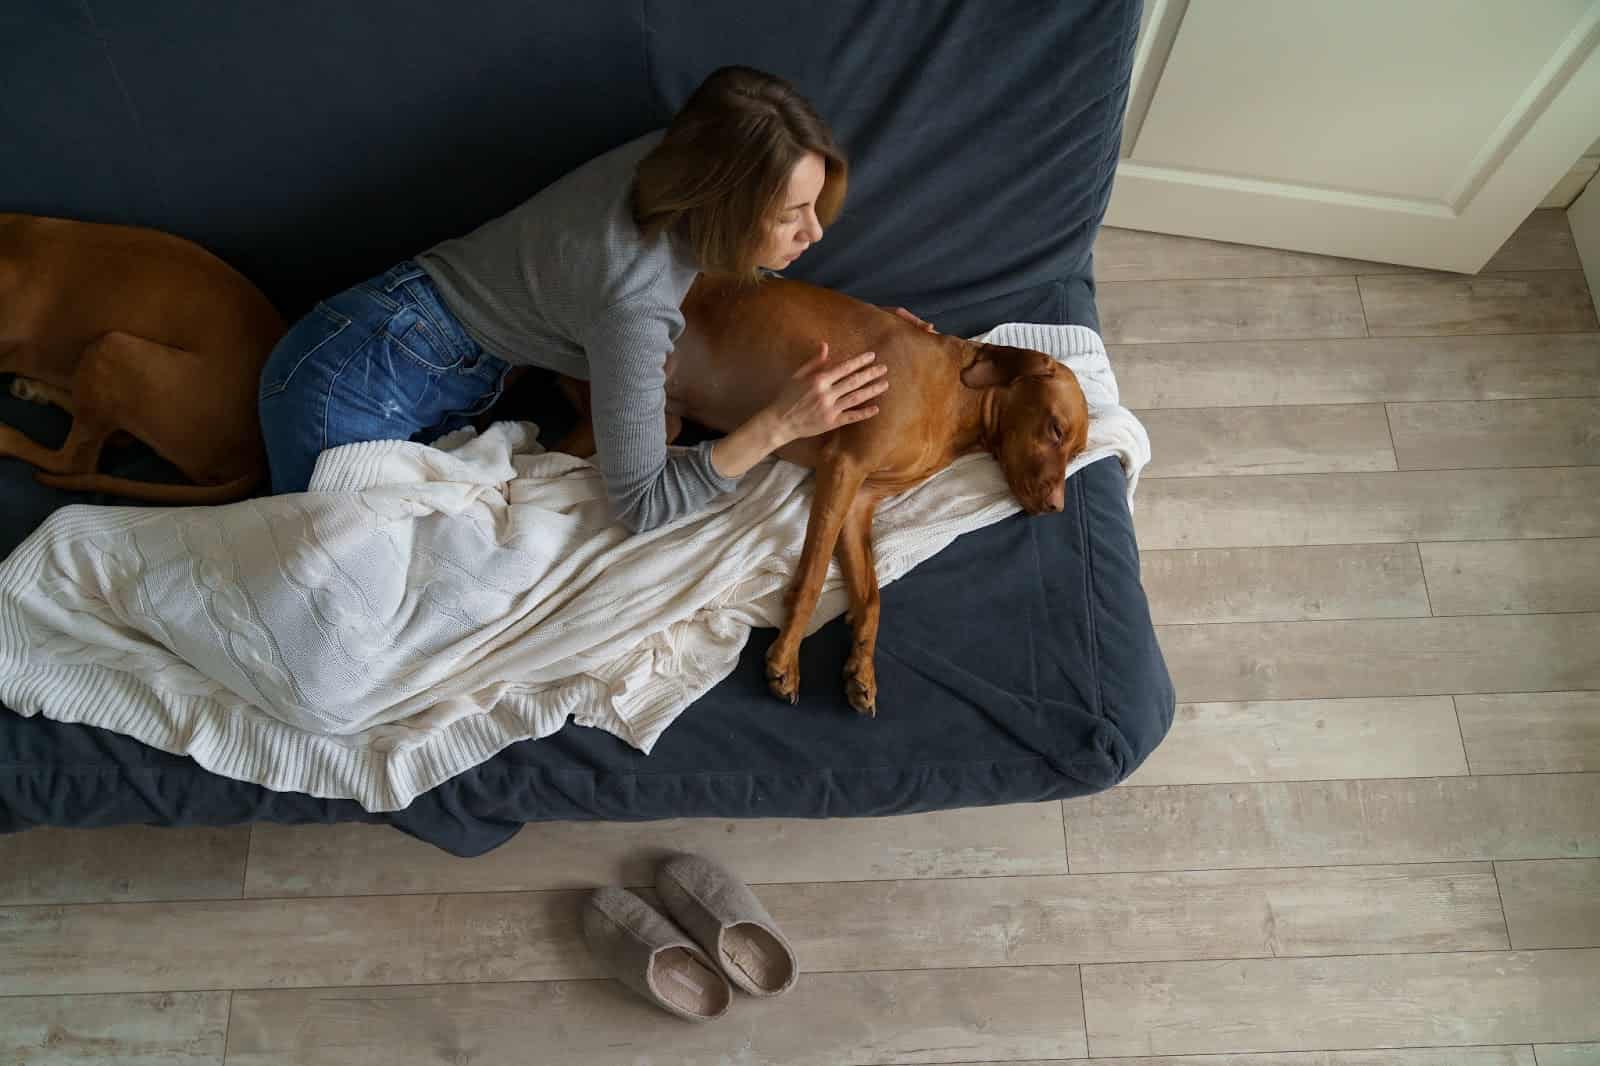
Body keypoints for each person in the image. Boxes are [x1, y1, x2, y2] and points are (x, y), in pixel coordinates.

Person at [258, 65, 928, 532]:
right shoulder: (633, 304)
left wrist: (869, 330)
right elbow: (642, 504)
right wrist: (779, 425)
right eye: (792, 216)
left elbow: (729, 257)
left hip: (397, 342)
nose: (813, 232)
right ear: (724, 204)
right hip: (348, 385)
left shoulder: (679, 155)